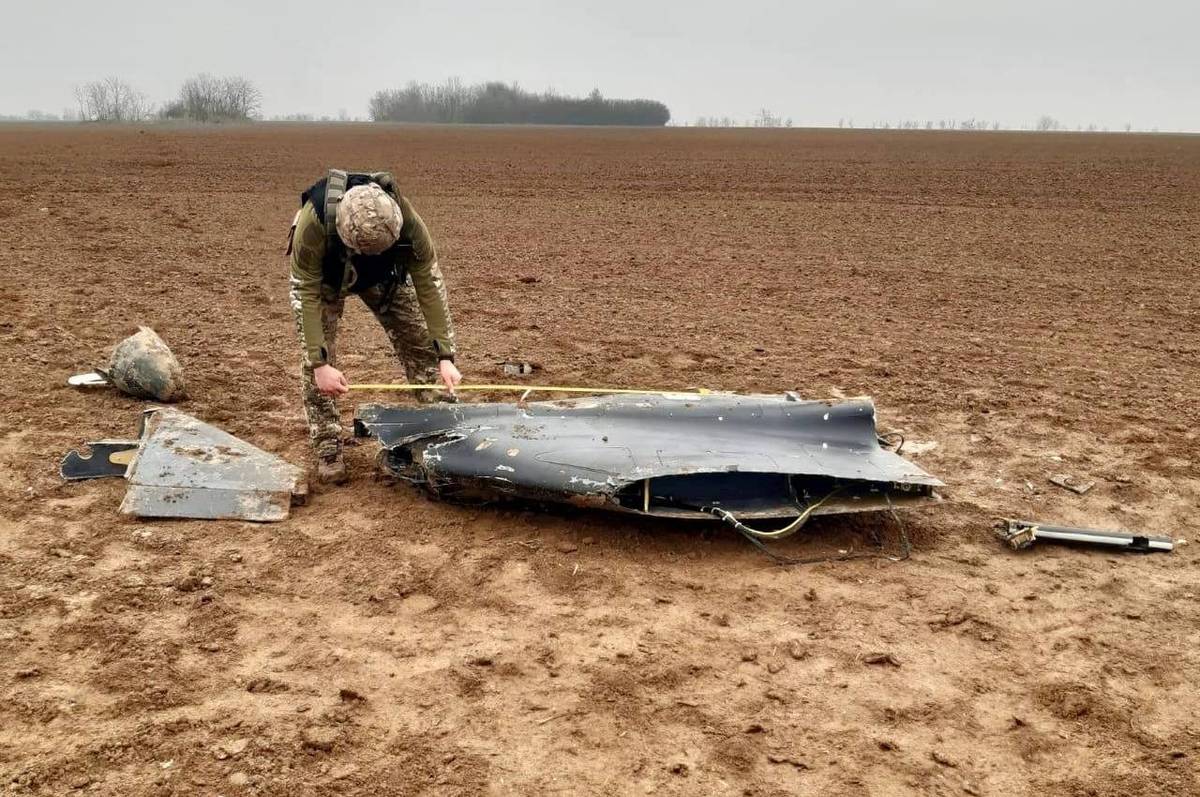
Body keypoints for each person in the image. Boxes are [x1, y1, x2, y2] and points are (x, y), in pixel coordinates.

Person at [287, 169, 461, 484]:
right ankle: (328, 446)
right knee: (317, 366)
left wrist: (445, 355)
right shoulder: (313, 225)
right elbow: (304, 291)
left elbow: (428, 278)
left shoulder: (403, 217)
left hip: (384, 278)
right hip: (325, 282)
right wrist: (319, 362)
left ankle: (444, 424)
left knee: (421, 344)